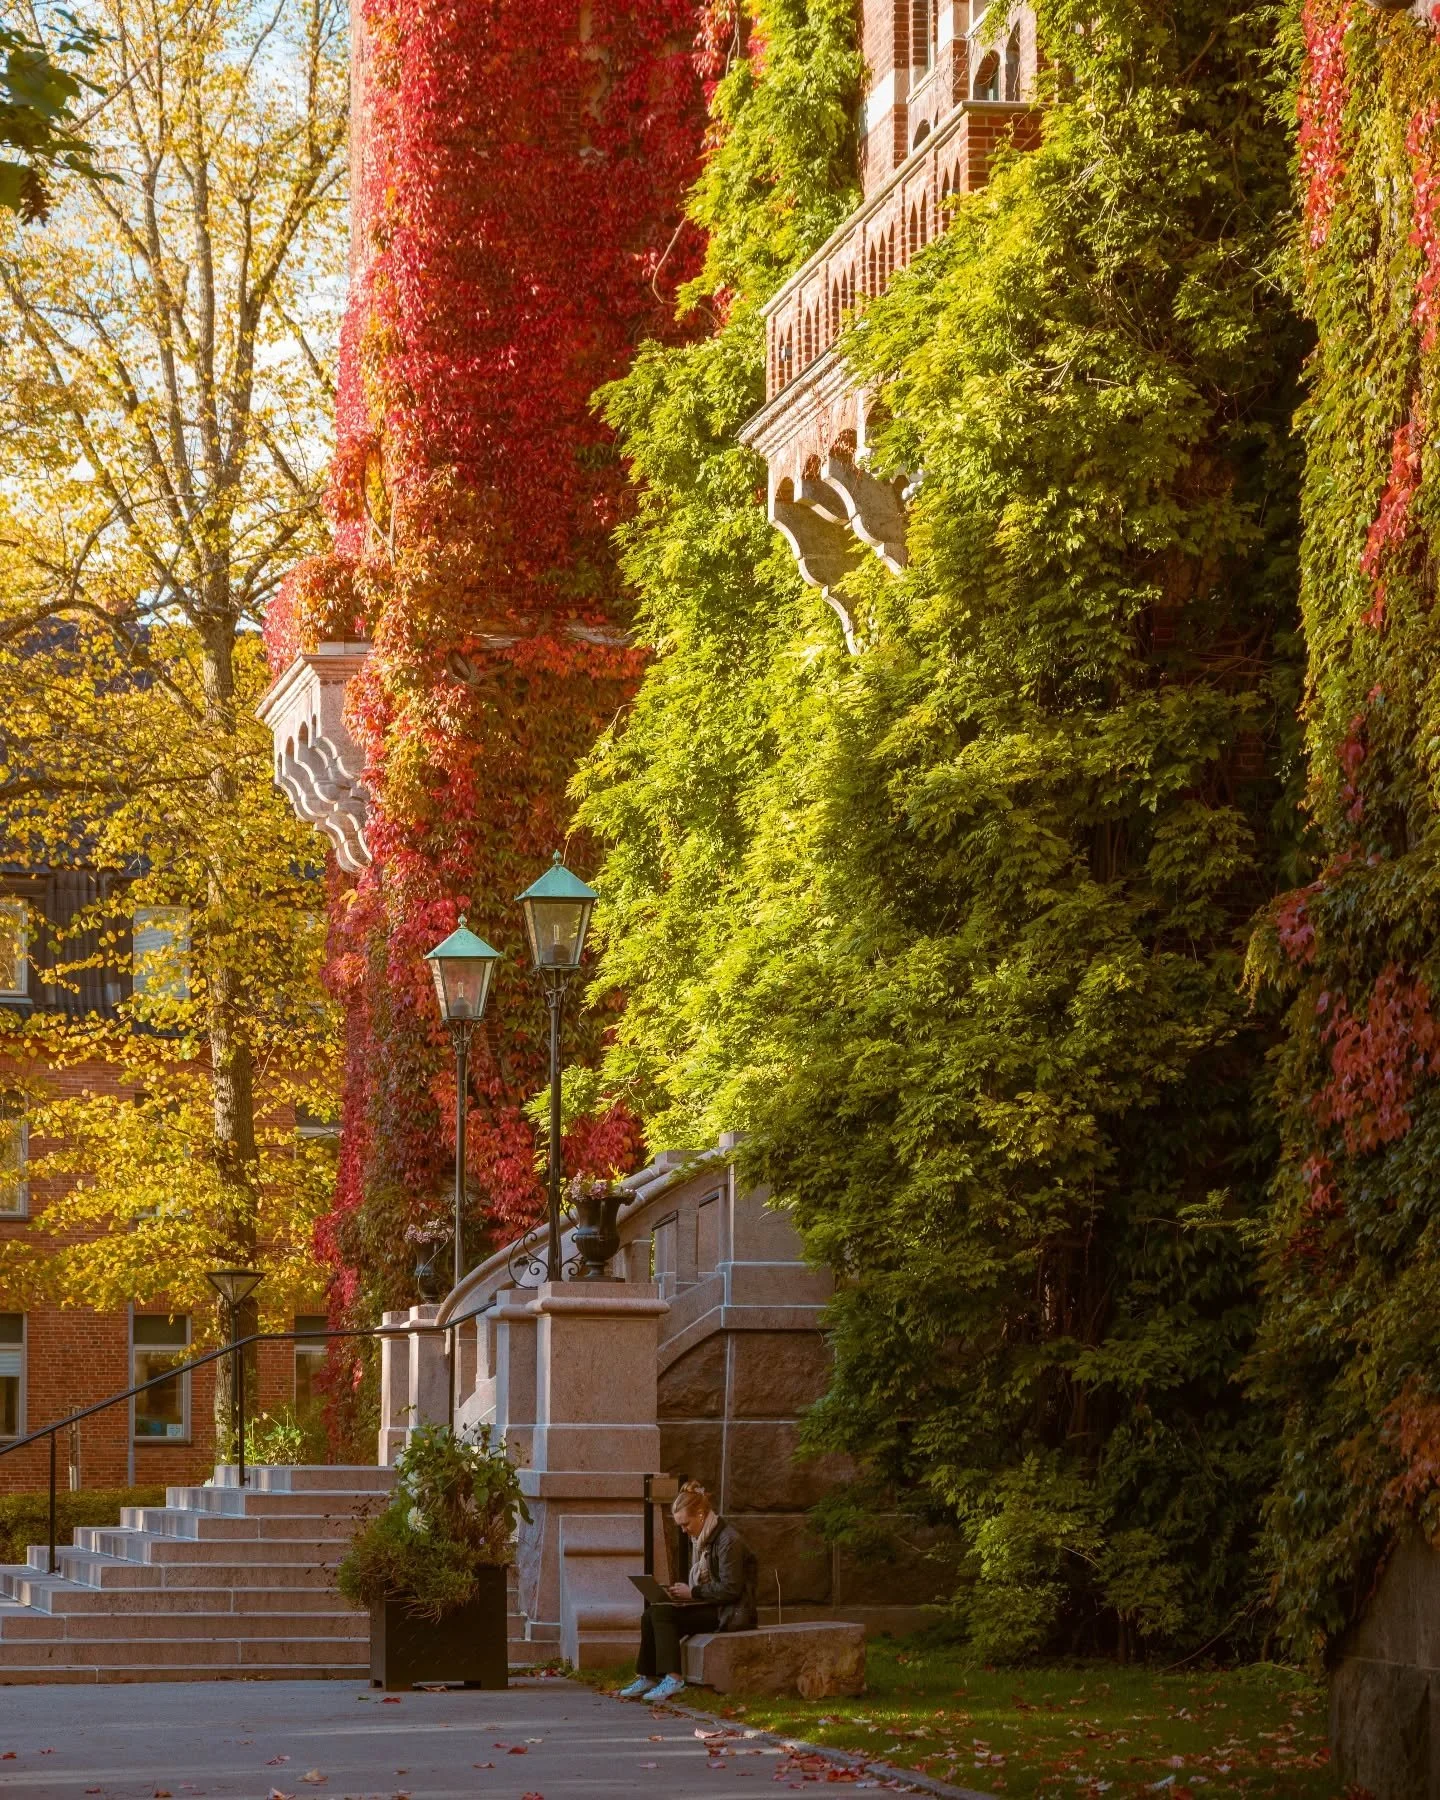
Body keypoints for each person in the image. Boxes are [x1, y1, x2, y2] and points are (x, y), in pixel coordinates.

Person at [619, 1478, 757, 1702]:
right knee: (652, 1613)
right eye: (680, 1526)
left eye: (686, 1524)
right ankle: (649, 1676)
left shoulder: (728, 1541)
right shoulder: (702, 1540)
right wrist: (682, 1595)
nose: (683, 1531)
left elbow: (731, 1589)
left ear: (701, 1515)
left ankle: (673, 1679)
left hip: (730, 1613)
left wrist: (692, 1593)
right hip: (711, 1605)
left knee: (663, 1614)